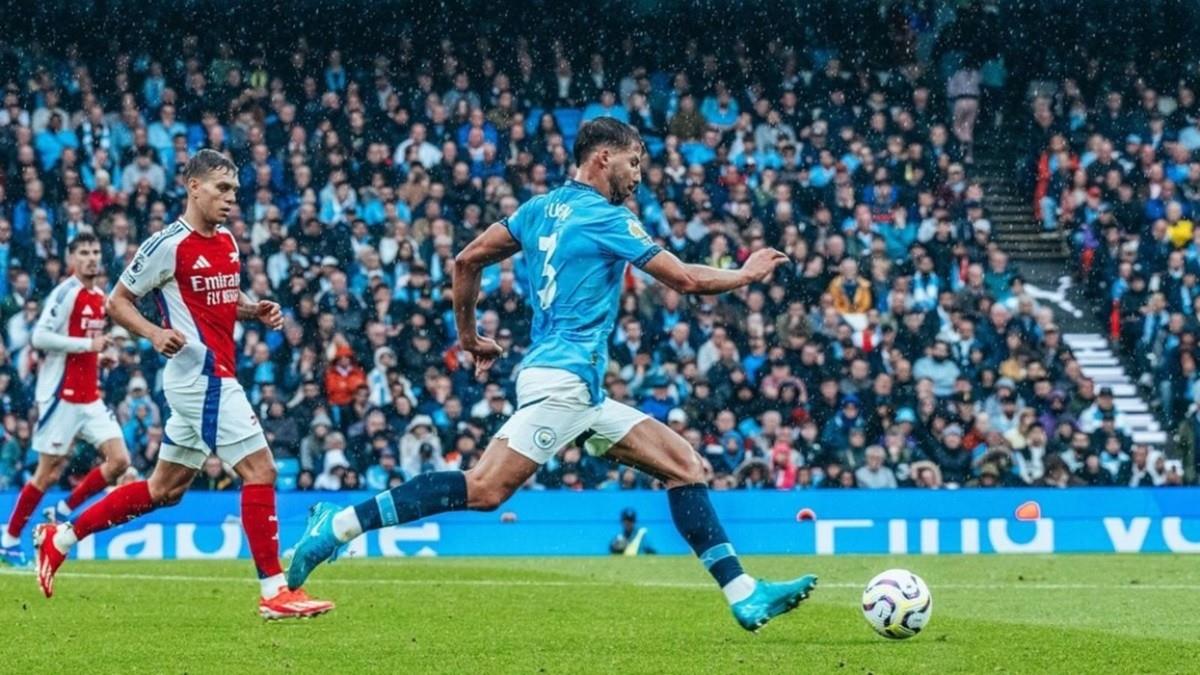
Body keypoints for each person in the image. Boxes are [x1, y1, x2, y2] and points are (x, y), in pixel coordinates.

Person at [287, 118, 817, 632]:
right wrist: (745, 273)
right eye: (634, 163)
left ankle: (743, 594)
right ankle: (337, 526)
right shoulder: (605, 217)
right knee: (485, 488)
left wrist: (469, 337)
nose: (638, 176)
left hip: (576, 388)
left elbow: (466, 261)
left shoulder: (539, 210)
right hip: (563, 383)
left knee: (686, 465)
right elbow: (683, 279)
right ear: (603, 158)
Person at [33, 150, 333, 620]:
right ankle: (274, 591)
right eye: (221, 189)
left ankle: (62, 537)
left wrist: (255, 309)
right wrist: (153, 333)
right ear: (193, 187)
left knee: (163, 490)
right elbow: (117, 302)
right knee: (261, 471)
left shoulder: (228, 240)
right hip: (201, 376)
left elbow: (222, 297)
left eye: (234, 190)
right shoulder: (166, 244)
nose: (231, 199)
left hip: (212, 375)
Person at [0, 234, 130, 567]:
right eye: (84, 252)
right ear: (72, 258)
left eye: (96, 251)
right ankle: (10, 539)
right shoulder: (66, 293)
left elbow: (85, 344)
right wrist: (89, 347)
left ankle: (63, 510)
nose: (91, 258)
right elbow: (39, 337)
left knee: (119, 461)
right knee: (47, 473)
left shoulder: (100, 296)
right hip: (62, 397)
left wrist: (100, 358)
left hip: (91, 397)